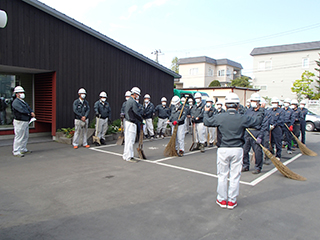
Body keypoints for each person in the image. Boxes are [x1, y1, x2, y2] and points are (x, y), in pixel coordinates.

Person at [204, 92, 261, 209]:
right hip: (237, 149)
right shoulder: (242, 118)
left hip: (223, 149)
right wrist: (261, 109)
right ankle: (232, 200)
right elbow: (257, 122)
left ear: (226, 105)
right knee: (235, 176)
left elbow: (207, 122)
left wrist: (205, 111)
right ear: (237, 105)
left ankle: (222, 199)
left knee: (222, 175)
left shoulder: (220, 117)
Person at [242, 93, 268, 174]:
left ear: (258, 102)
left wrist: (260, 136)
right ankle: (245, 165)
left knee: (257, 152)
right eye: (252, 100)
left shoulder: (263, 112)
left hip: (257, 132)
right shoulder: (248, 111)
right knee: (244, 150)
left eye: (254, 101)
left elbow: (264, 125)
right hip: (248, 132)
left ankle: (258, 167)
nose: (252, 102)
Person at [11, 86, 35, 157]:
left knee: (25, 136)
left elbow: (28, 107)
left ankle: (23, 149)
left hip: (25, 121)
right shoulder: (16, 102)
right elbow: (22, 110)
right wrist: (30, 113)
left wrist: (31, 112)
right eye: (20, 92)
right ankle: (16, 151)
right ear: (16, 94)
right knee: (19, 136)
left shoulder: (23, 101)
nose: (22, 94)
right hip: (19, 121)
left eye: (22, 92)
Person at [123, 87, 143, 162]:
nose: (137, 96)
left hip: (127, 122)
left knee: (127, 140)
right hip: (131, 123)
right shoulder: (133, 102)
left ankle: (126, 155)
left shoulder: (128, 101)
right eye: (137, 94)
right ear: (134, 94)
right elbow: (136, 113)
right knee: (130, 140)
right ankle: (129, 157)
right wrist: (141, 120)